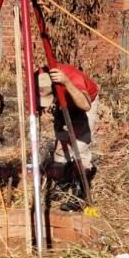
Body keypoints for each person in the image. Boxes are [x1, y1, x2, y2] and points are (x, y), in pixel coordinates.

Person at [37, 63, 99, 211]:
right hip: (62, 100)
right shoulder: (38, 77)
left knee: (80, 146)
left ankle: (80, 193)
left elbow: (86, 106)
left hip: (82, 100)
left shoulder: (72, 78)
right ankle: (63, 181)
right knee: (61, 144)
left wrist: (66, 83)